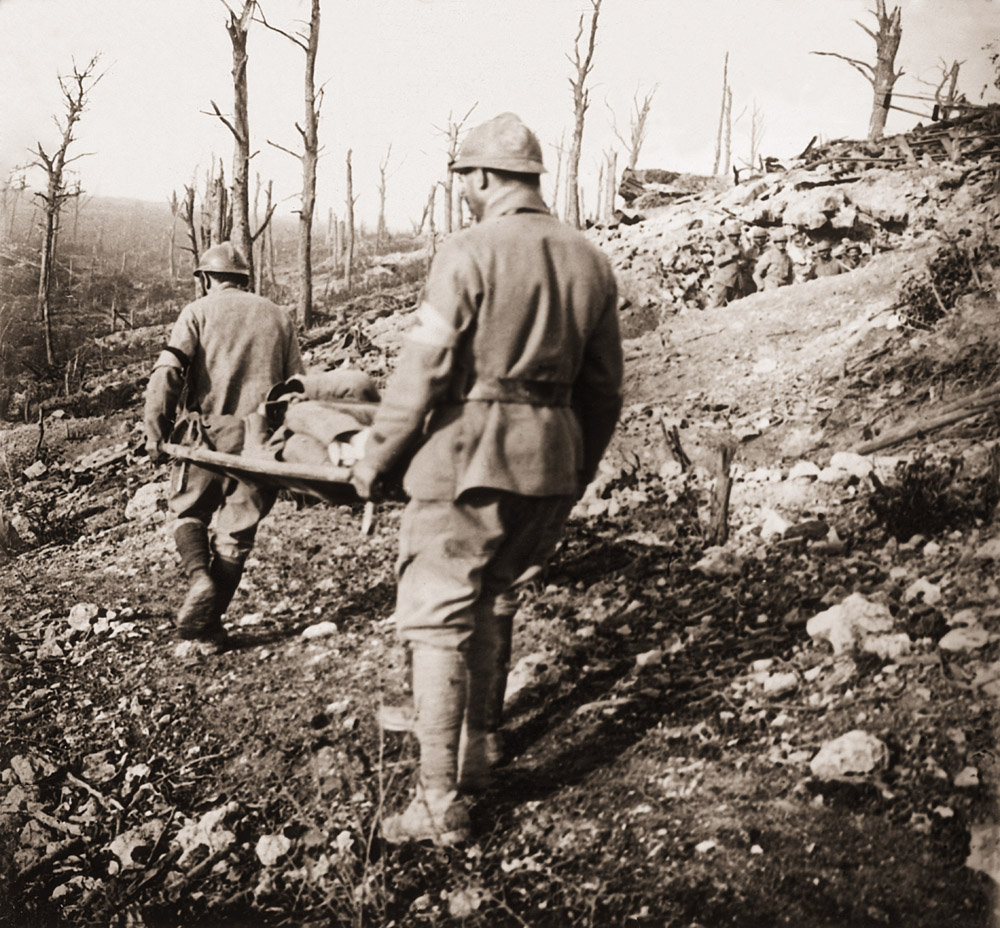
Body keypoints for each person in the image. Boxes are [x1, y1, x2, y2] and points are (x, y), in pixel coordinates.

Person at [350, 112, 623, 845]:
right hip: (552, 462)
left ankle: (439, 804)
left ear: (479, 178)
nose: (465, 191)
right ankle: (481, 756)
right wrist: (574, 464)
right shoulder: (590, 260)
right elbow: (604, 392)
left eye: (464, 179)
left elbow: (423, 370)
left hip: (469, 460)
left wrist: (376, 458)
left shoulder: (468, 251)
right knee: (496, 601)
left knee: (437, 612)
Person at [143, 242, 304, 651]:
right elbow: (298, 390)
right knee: (236, 536)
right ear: (245, 279)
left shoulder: (196, 312)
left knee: (188, 512)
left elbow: (168, 374)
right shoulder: (278, 316)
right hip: (259, 440)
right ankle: (209, 629)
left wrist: (157, 431)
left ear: (206, 278)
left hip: (206, 435)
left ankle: (199, 578)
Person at [706, 219, 747, 307]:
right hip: (723, 280)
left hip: (736, 281)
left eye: (737, 236)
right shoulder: (723, 245)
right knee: (718, 305)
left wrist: (743, 262)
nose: (735, 238)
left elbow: (744, 259)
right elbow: (716, 261)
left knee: (738, 306)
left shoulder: (739, 246)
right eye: (733, 236)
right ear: (729, 236)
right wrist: (730, 256)